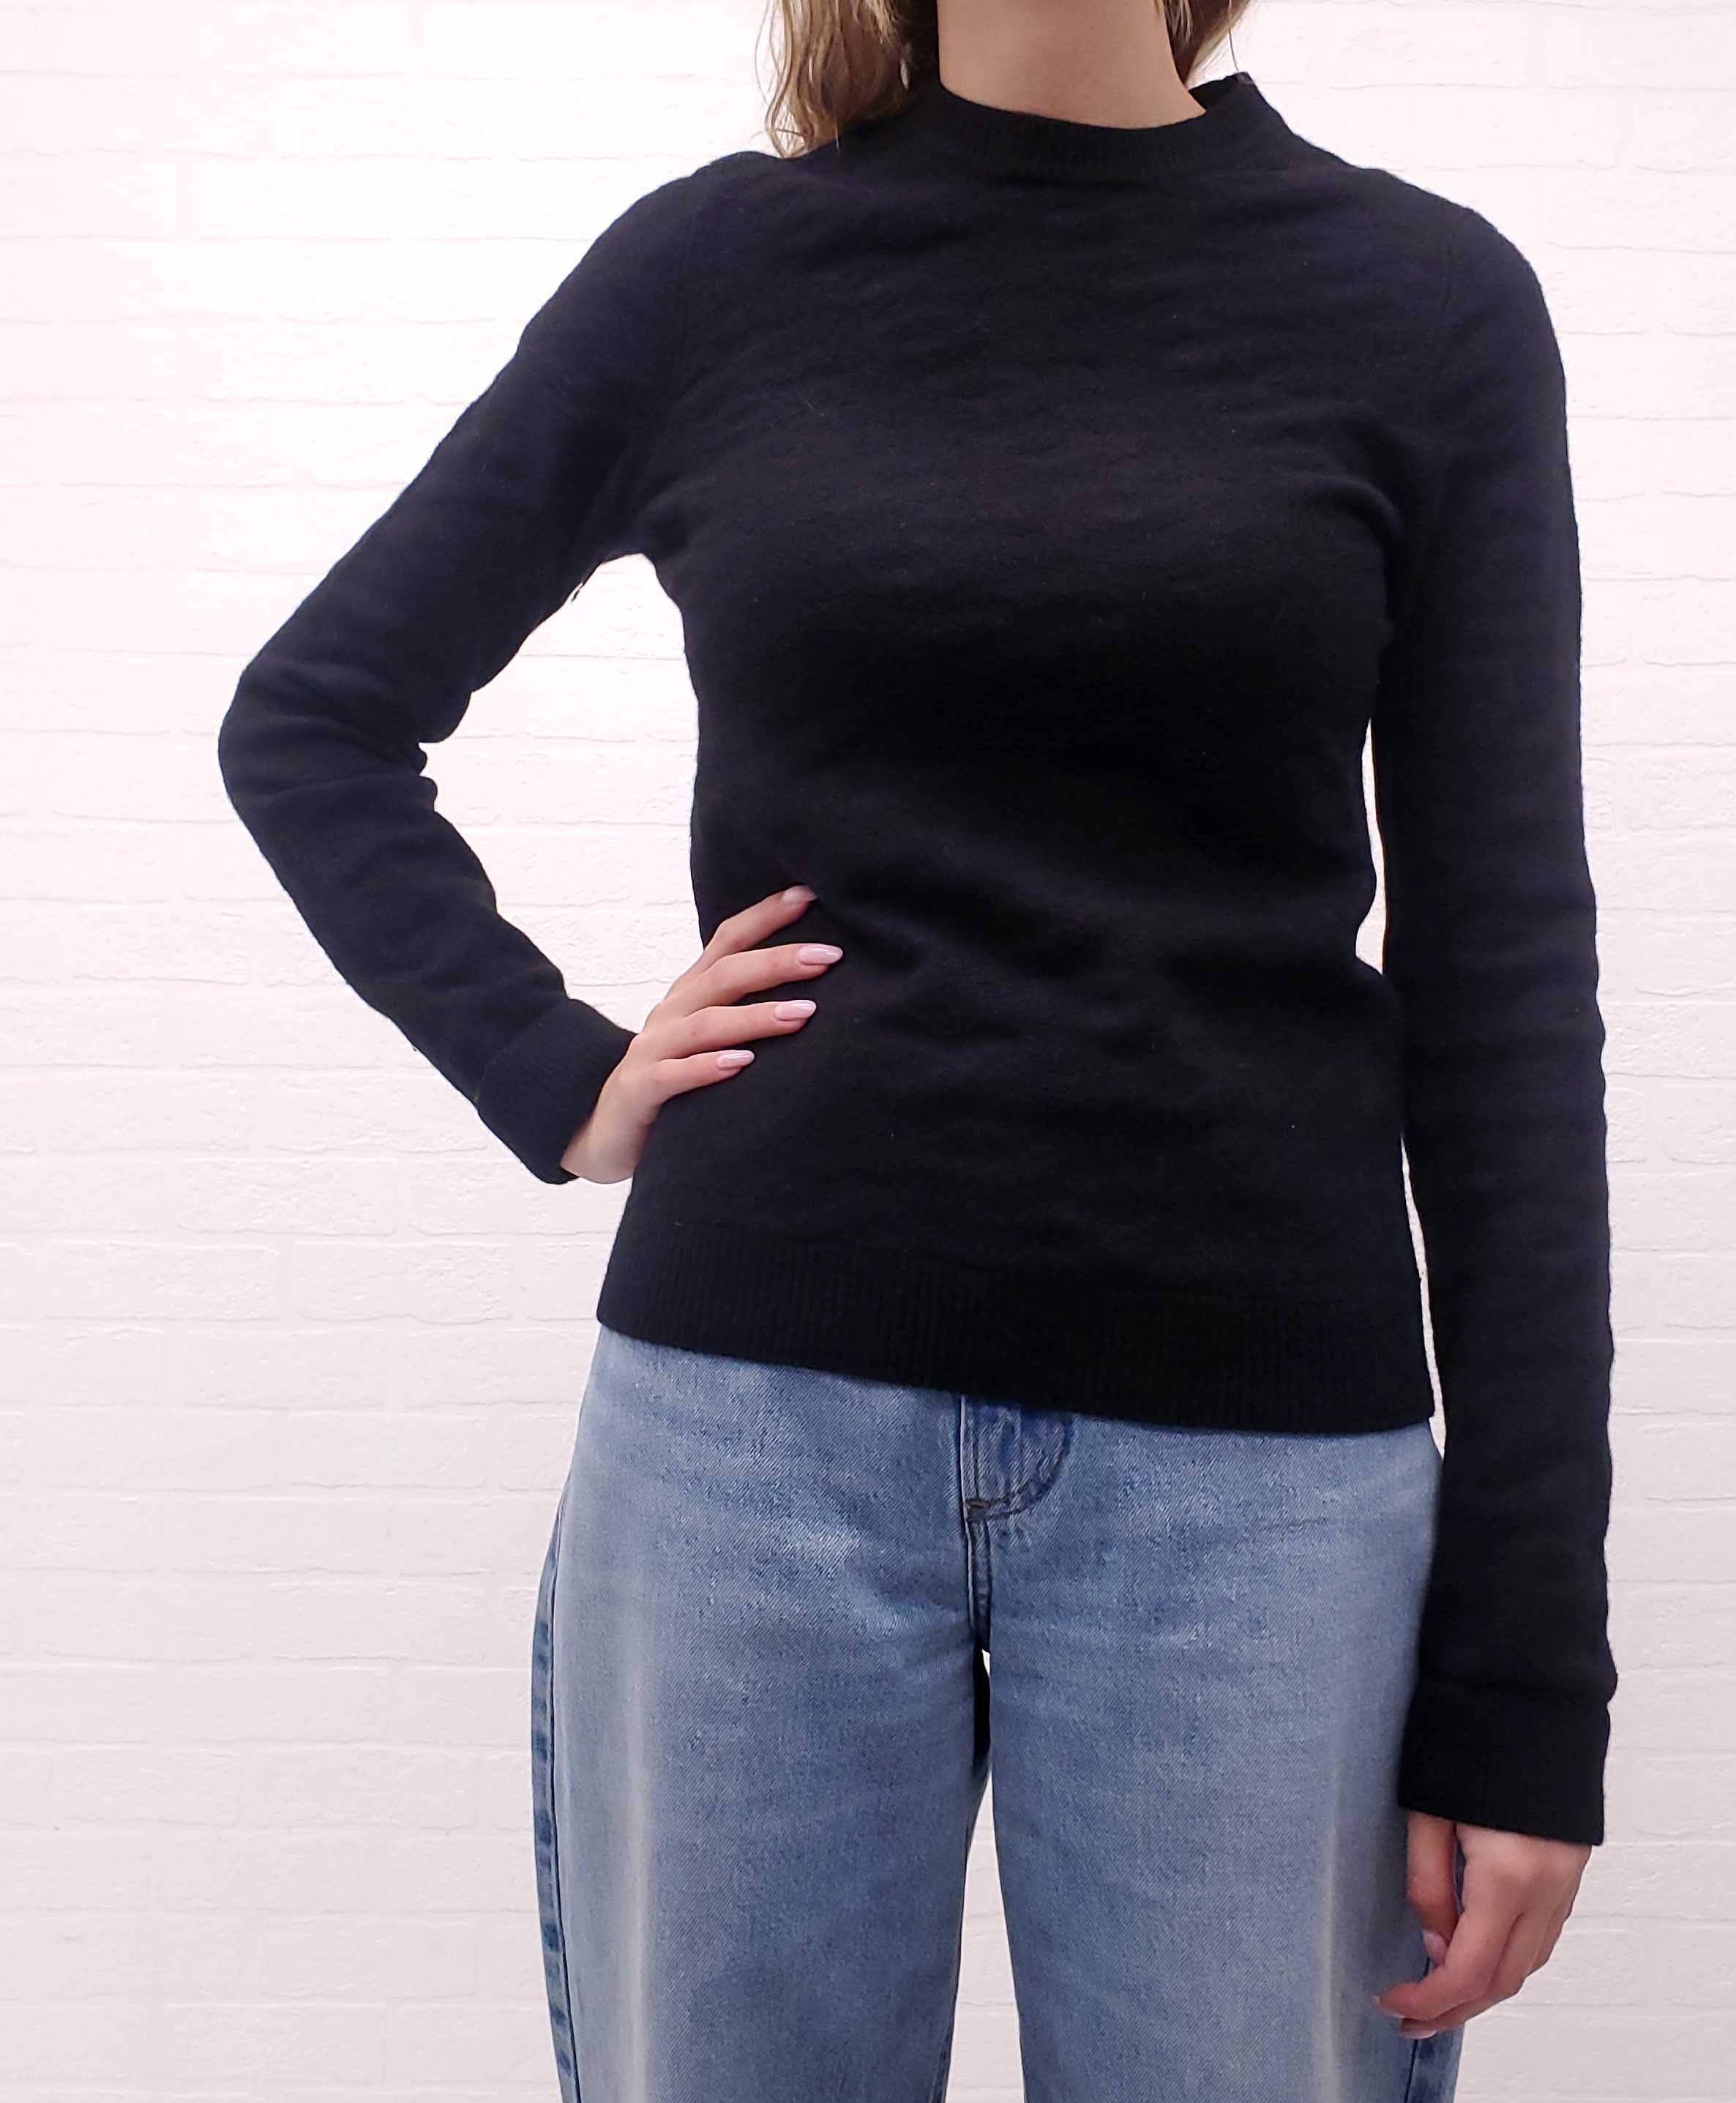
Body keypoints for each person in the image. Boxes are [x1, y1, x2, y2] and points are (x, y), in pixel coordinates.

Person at [215, 3, 1617, 2097]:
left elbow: (1503, 984)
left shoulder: (1421, 305)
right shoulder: (712, 273)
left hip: (1257, 1490)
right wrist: (554, 1071)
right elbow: (314, 718)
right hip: (748, 1443)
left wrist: (1526, 1675)